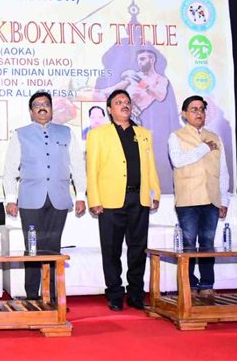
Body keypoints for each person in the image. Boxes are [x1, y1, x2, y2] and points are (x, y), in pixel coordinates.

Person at [3, 91, 86, 300]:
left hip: (59, 198)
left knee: (53, 248)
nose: (42, 107)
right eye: (37, 105)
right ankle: (32, 297)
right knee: (32, 249)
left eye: (46, 104)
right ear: (31, 111)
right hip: (30, 200)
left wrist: (81, 195)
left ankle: (53, 298)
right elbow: (10, 169)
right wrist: (11, 199)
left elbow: (77, 165)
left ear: (51, 109)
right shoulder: (20, 134)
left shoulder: (66, 132)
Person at [86, 89, 160, 311]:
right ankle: (115, 294)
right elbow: (92, 169)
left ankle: (136, 293)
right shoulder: (98, 134)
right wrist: (94, 199)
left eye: (127, 101)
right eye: (118, 102)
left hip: (139, 198)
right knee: (111, 250)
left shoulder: (144, 134)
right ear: (110, 109)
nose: (124, 105)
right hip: (110, 201)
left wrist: (155, 192)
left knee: (138, 249)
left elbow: (150, 167)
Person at [168, 95, 230, 297]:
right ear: (184, 114)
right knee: (188, 245)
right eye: (194, 109)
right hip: (188, 199)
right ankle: (189, 285)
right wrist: (204, 148)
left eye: (202, 109)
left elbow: (223, 171)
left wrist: (224, 200)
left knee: (207, 245)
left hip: (211, 199)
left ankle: (207, 285)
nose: (199, 113)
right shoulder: (176, 136)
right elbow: (178, 161)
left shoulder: (215, 137)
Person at [94, 49, 169, 124]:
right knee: (98, 96)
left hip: (133, 116)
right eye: (138, 60)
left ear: (152, 60)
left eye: (142, 59)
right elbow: (114, 89)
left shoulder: (160, 79)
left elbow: (161, 96)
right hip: (119, 111)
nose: (139, 62)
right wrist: (98, 91)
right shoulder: (134, 75)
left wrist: (141, 83)